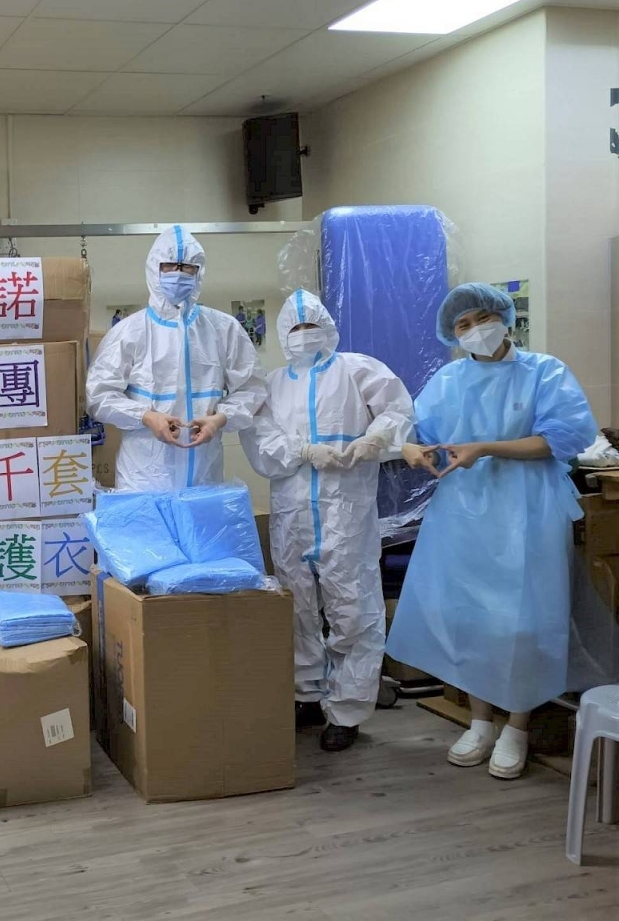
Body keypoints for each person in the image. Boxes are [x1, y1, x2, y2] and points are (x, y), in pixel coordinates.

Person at [387, 283, 596, 779]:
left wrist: (485, 447)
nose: (475, 329)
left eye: (483, 318)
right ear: (452, 334)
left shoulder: (544, 371)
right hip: (463, 512)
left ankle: (517, 726)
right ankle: (481, 722)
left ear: (504, 319)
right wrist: (409, 447)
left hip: (529, 507)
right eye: (463, 324)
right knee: (470, 617)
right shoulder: (448, 380)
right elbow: (419, 433)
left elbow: (563, 437)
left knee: (527, 619)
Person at [242, 291, 414, 751]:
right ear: (283, 336)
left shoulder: (358, 369)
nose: (304, 336)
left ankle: (347, 709)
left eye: (311, 326)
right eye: (295, 329)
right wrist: (302, 450)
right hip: (292, 513)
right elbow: (259, 439)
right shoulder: (273, 385)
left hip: (347, 512)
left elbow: (398, 410)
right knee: (297, 608)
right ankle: (307, 694)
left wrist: (375, 439)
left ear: (328, 328)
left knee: (353, 609)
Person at [86, 225, 266, 489]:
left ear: (198, 273)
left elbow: (252, 388)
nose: (178, 274)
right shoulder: (129, 332)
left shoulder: (223, 329)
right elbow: (99, 396)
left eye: (187, 267)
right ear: (154, 269)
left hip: (204, 473)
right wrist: (146, 416)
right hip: (143, 478)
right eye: (169, 266)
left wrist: (219, 419)